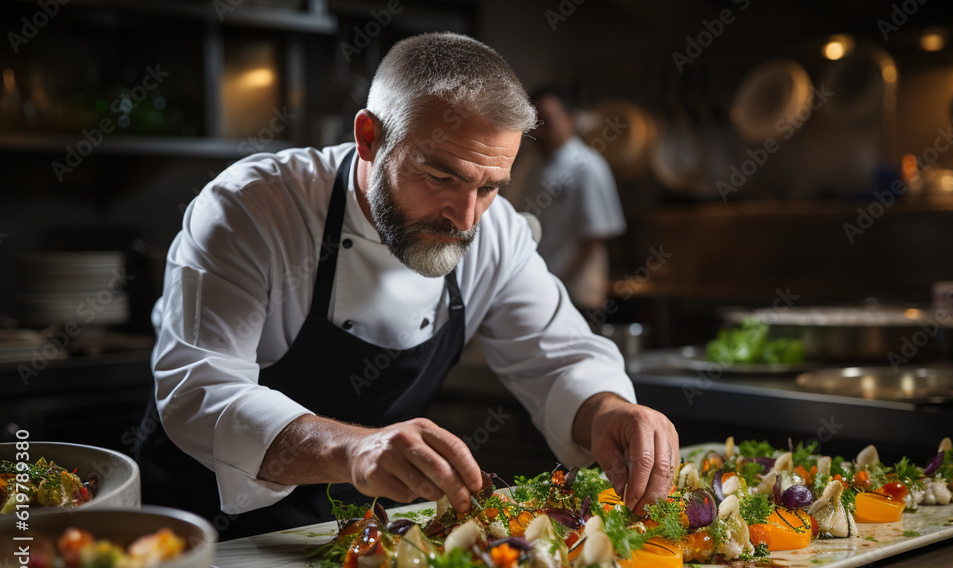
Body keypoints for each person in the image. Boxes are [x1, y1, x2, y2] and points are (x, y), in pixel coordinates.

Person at [136, 33, 677, 540]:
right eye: (441, 177)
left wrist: (608, 409)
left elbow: (559, 360)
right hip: (201, 538)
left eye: (489, 187)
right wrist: (354, 449)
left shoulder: (497, 234)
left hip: (350, 541)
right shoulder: (252, 209)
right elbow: (200, 393)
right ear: (369, 137)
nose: (465, 219)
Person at [512, 87, 627, 313]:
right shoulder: (527, 165)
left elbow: (594, 234)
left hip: (574, 294)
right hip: (531, 291)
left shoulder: (588, 165)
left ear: (570, 120)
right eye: (534, 124)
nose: (538, 132)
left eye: (546, 123)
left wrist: (554, 279)